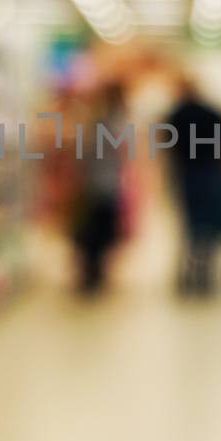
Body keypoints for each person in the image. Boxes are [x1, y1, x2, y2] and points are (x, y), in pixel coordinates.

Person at [163, 77, 221, 296]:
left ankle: (189, 269)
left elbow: (169, 148)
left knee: (189, 223)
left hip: (187, 173)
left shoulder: (176, 116)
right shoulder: (214, 114)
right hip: (211, 172)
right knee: (209, 223)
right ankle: (206, 269)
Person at [68, 81, 127, 295]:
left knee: (95, 230)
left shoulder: (101, 122)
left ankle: (93, 271)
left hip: (99, 182)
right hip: (103, 183)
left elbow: (85, 154)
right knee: (97, 231)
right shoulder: (111, 123)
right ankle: (94, 271)